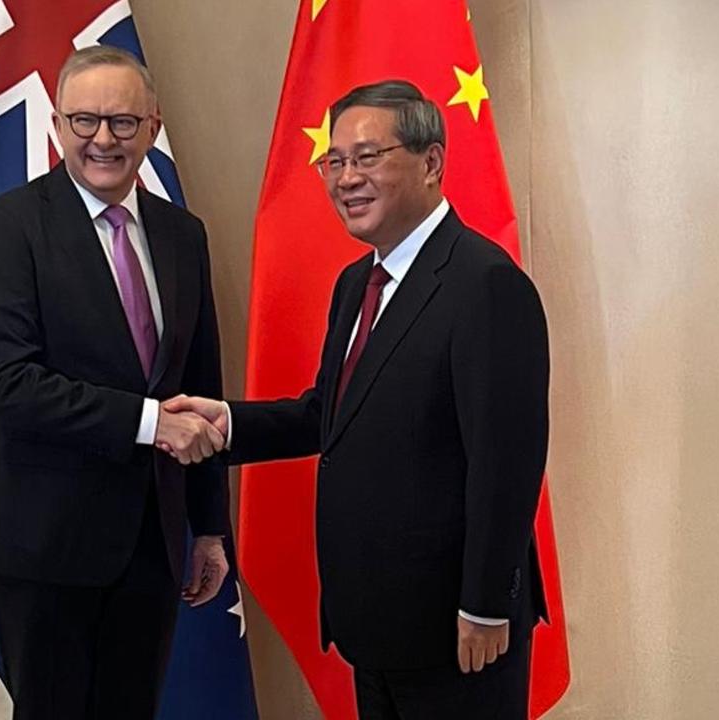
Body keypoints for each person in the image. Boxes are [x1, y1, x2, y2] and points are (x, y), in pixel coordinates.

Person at [165, 80, 550, 719]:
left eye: (367, 157)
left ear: (431, 162)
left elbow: (505, 466)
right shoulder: (357, 282)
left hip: (457, 631)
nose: (346, 178)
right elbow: (331, 415)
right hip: (374, 623)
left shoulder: (485, 285)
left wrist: (484, 603)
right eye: (334, 161)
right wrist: (228, 421)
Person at [0, 45, 229, 720]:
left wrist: (209, 528)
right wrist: (148, 424)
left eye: (122, 121)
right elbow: (7, 383)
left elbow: (201, 385)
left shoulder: (183, 235)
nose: (102, 139)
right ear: (56, 125)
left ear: (153, 126)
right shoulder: (7, 226)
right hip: (46, 545)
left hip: (154, 541)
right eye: (84, 121)